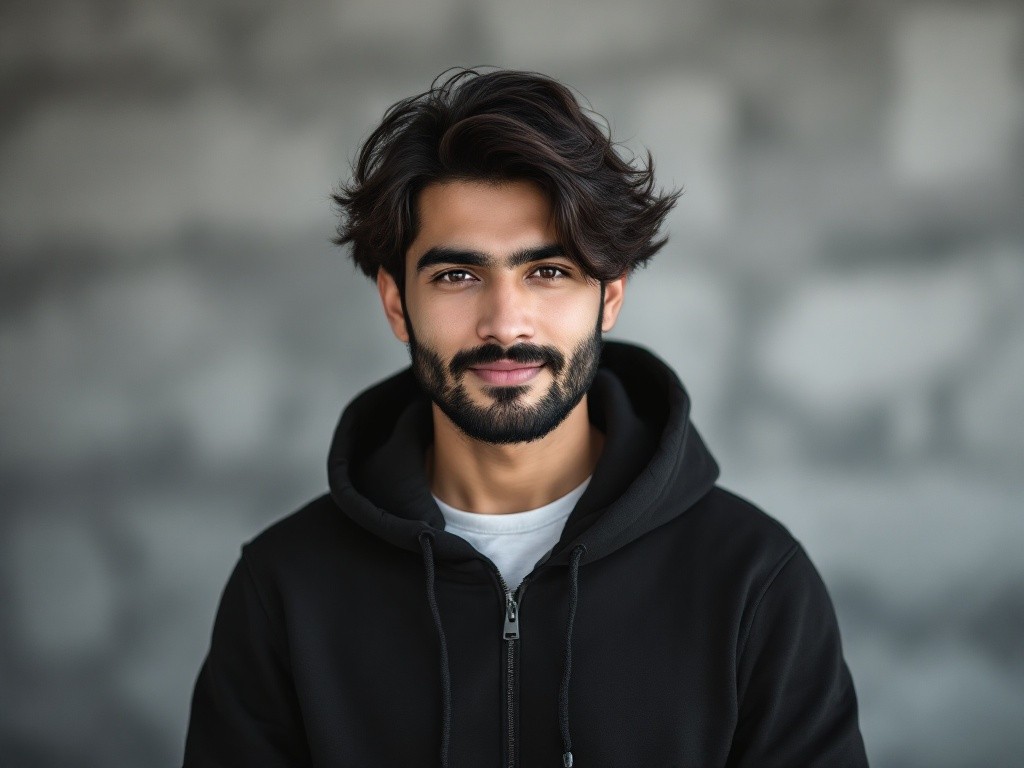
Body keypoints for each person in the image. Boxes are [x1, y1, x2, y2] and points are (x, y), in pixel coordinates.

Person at [183, 69, 869, 767]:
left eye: (548, 272)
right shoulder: (287, 589)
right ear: (396, 304)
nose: (505, 324)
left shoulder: (753, 580)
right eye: (457, 275)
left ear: (609, 298)